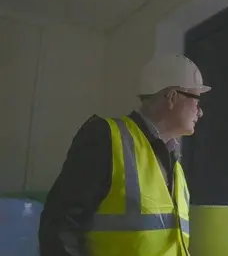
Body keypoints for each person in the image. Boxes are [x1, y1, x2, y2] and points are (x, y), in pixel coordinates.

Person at [38, 54, 211, 256]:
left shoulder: (175, 165)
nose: (200, 112)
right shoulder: (105, 137)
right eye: (197, 100)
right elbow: (59, 228)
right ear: (172, 97)